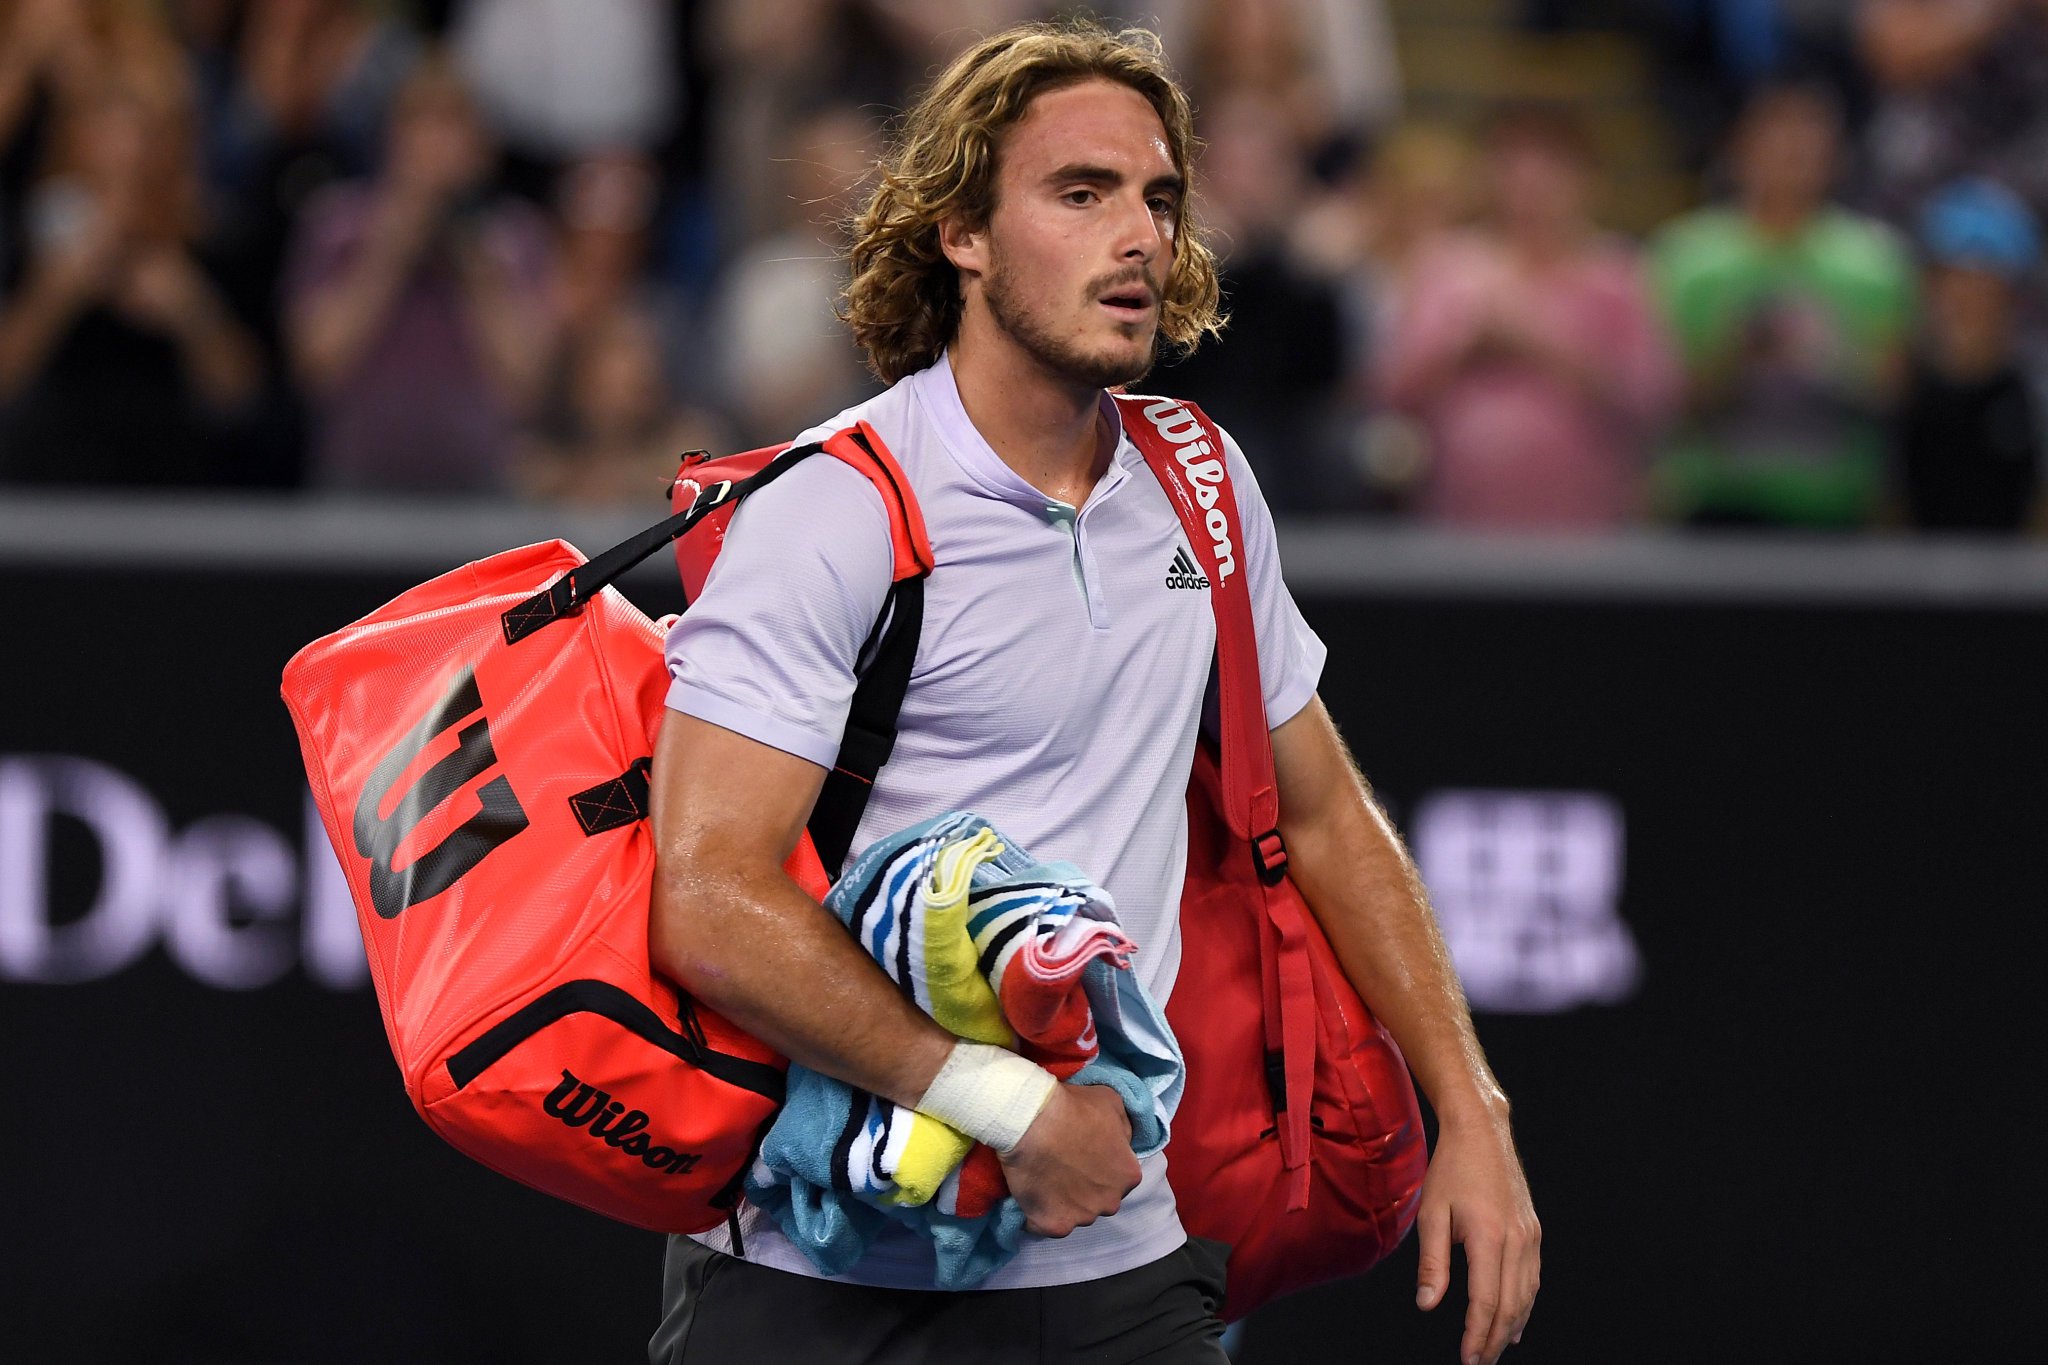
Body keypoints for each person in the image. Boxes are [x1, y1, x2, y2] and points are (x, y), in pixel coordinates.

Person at [645, 20, 1539, 1365]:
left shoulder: (1201, 481)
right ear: (962, 232)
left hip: (1120, 1264)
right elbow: (706, 899)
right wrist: (1008, 1108)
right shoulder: (834, 507)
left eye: (1158, 198)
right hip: (815, 1269)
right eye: (1080, 193)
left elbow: (1327, 817)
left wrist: (1470, 1109)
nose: (1139, 237)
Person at [1377, 105, 1679, 530]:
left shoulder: (1616, 274)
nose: (1530, 185)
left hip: (1586, 520)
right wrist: (1468, 348)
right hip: (1461, 516)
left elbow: (1653, 400)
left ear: (1585, 179)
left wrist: (1545, 349)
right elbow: (1395, 388)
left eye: (1549, 169)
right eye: (1513, 167)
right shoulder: (1450, 264)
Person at [1651, 79, 1916, 529]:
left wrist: (1829, 356)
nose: (1791, 157)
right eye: (1778, 142)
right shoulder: (1687, 260)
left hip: (1833, 507)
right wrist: (1737, 357)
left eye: (1807, 145)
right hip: (1715, 502)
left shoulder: (1875, 264)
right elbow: (1660, 398)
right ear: (1739, 151)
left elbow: (1894, 394)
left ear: (1836, 159)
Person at [283, 54, 553, 493]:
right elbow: (315, 366)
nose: (435, 146)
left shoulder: (515, 234)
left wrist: (474, 265)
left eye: (452, 125)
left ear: (481, 146)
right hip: (358, 483)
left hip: (481, 486)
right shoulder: (338, 224)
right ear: (392, 138)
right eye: (421, 124)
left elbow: (530, 384)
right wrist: (388, 251)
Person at [1896, 177, 2042, 531]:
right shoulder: (1899, 390)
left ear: (2011, 297)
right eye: (1952, 283)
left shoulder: (2034, 398)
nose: (1966, 302)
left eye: (1983, 287)